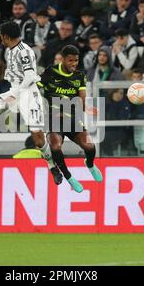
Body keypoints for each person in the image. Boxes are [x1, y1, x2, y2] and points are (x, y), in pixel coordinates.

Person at [0, 21, 63, 185]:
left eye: (1, 35)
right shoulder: (9, 51)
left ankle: (53, 166)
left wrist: (16, 94)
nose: (0, 38)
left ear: (6, 36)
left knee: (38, 139)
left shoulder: (24, 52)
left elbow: (30, 77)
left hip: (29, 94)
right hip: (15, 90)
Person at [38, 45, 103, 193]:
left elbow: (82, 97)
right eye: (70, 60)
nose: (74, 63)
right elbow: (35, 88)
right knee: (55, 146)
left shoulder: (79, 76)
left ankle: (90, 164)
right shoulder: (51, 72)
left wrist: (86, 107)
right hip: (53, 119)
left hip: (73, 119)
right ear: (62, 59)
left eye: (76, 60)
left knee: (90, 147)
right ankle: (69, 177)